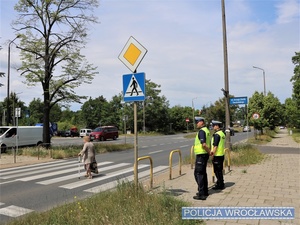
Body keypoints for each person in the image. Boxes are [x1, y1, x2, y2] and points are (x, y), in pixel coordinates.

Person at [193, 117, 211, 200]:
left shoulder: (201, 131)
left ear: (202, 122)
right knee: (203, 173)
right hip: (203, 155)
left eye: (197, 122)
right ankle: (205, 191)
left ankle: (201, 194)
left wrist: (209, 151)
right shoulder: (207, 130)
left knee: (198, 174)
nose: (196, 123)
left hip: (201, 155)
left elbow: (204, 144)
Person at [210, 120, 226, 190]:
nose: (212, 126)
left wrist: (212, 155)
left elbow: (215, 146)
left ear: (217, 126)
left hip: (217, 155)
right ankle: (220, 182)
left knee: (217, 171)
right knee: (220, 170)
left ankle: (220, 184)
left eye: (213, 125)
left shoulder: (217, 135)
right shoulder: (222, 133)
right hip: (221, 154)